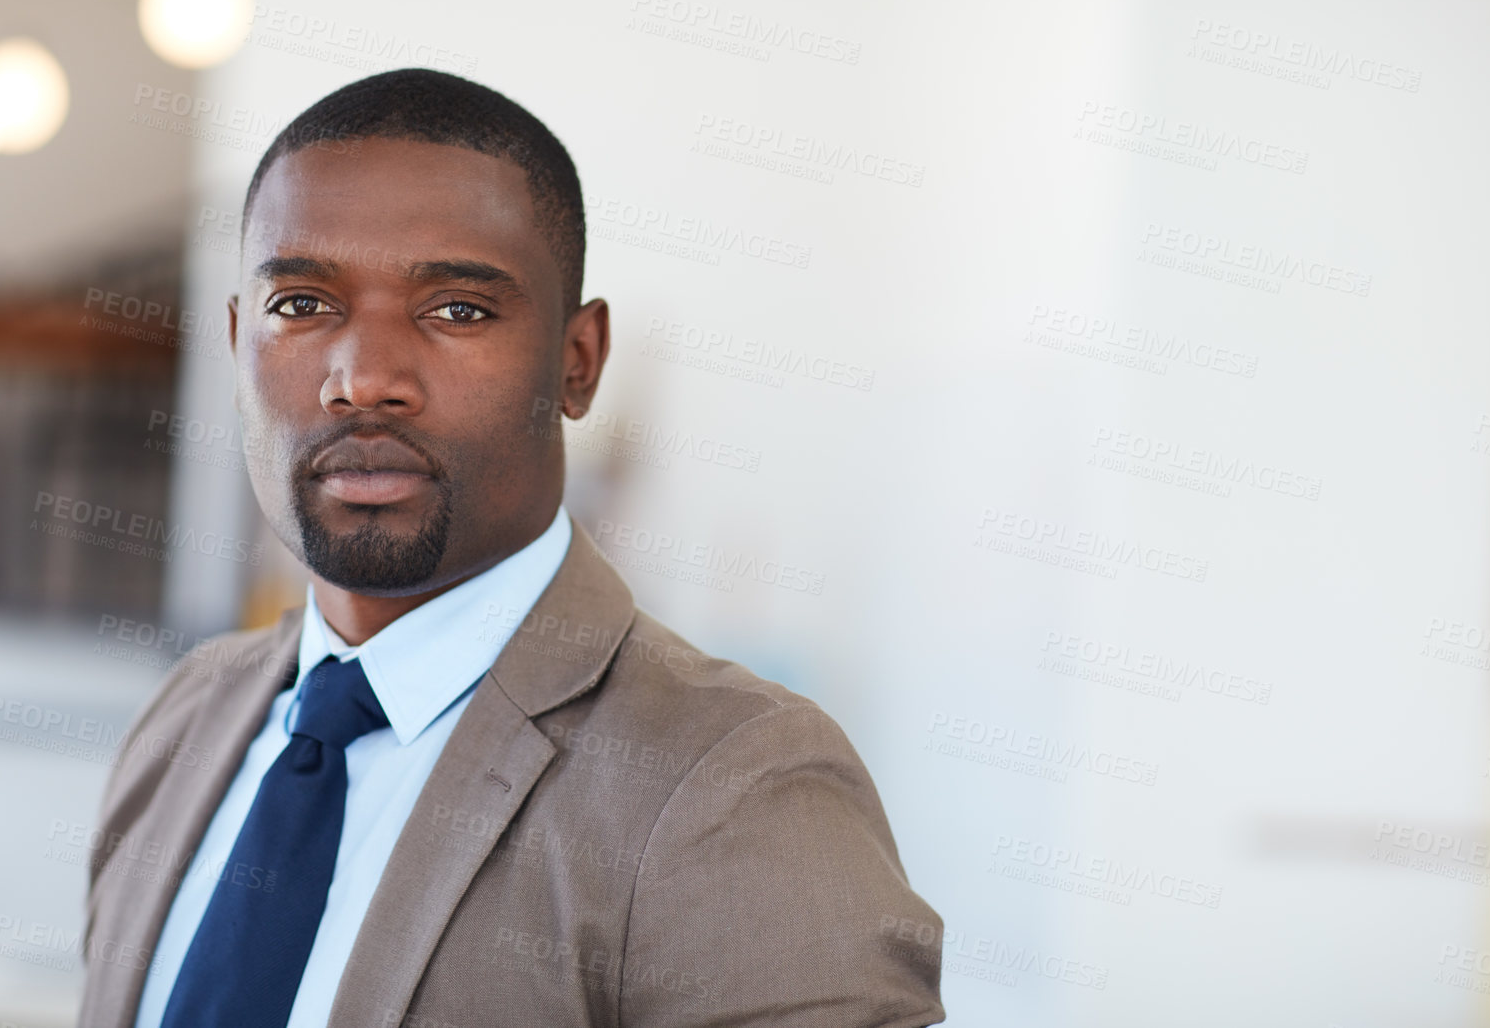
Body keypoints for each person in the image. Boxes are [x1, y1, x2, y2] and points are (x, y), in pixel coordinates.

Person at [76, 68, 945, 1027]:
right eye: (301, 306)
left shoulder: (733, 785)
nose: (363, 380)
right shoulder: (186, 722)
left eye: (457, 310)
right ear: (238, 343)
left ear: (578, 363)